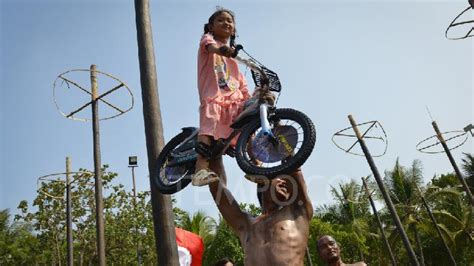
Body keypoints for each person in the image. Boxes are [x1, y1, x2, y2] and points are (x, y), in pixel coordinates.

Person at [208, 166, 313, 265]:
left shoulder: (298, 213)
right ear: (263, 187)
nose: (283, 181)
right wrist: (215, 154)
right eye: (278, 179)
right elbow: (217, 188)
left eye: (286, 181)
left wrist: (281, 149)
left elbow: (294, 168)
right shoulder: (247, 225)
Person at [193, 8, 251, 186]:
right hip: (214, 96)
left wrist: (251, 98)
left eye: (230, 21)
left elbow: (242, 84)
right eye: (221, 20)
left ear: (234, 29)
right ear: (211, 26)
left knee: (248, 128)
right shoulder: (208, 40)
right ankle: (200, 170)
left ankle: (256, 167)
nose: (226, 23)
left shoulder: (234, 59)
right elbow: (212, 48)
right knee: (209, 130)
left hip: (233, 101)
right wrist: (224, 51)